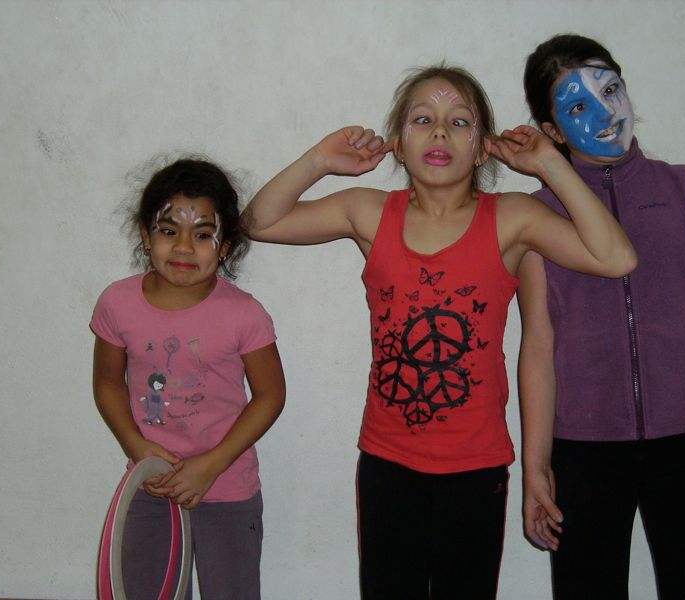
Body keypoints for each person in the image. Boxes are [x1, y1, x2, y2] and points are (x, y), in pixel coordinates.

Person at [244, 64, 635, 599]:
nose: (440, 133)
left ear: (483, 149)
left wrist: (549, 164)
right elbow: (259, 222)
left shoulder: (512, 217)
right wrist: (320, 160)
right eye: (423, 120)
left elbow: (615, 258)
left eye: (459, 122)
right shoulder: (370, 212)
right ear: (400, 145)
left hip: (477, 467)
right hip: (387, 463)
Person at [517, 34, 685, 600]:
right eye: (578, 105)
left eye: (610, 89)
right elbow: (538, 342)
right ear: (553, 131)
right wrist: (536, 464)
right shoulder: (535, 216)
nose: (605, 112)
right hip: (583, 446)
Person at [91, 158, 286, 600]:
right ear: (146, 235)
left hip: (227, 487)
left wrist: (211, 465)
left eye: (202, 234)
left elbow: (271, 395)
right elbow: (107, 382)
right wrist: (135, 446)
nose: (183, 247)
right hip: (151, 485)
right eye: (168, 230)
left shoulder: (244, 313)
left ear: (225, 246)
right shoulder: (117, 304)